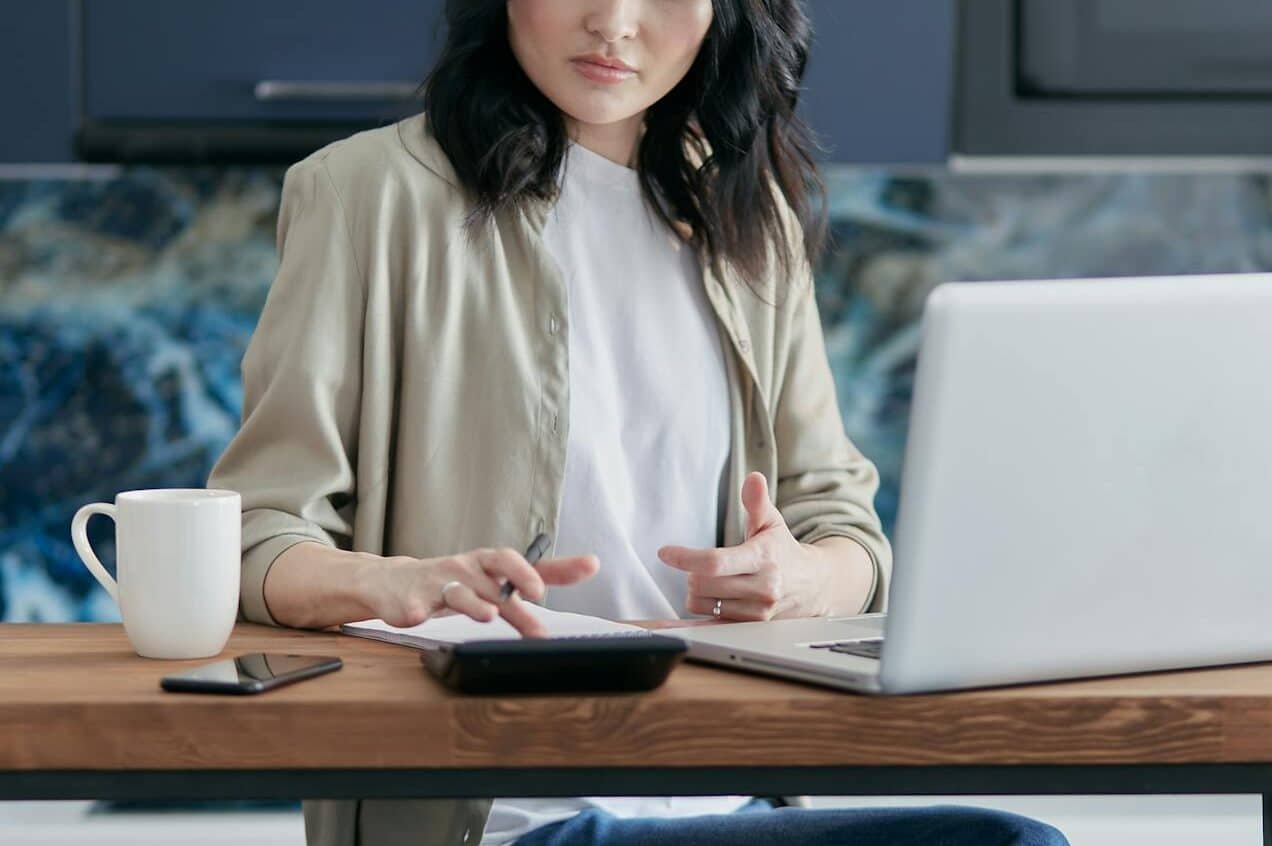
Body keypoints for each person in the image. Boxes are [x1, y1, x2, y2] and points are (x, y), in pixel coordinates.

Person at [207, 1, 1070, 844]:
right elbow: (255, 537)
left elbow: (844, 530)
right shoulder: (365, 195)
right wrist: (395, 585)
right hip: (507, 816)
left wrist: (804, 578)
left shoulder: (751, 214)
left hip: (729, 796)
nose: (615, 21)